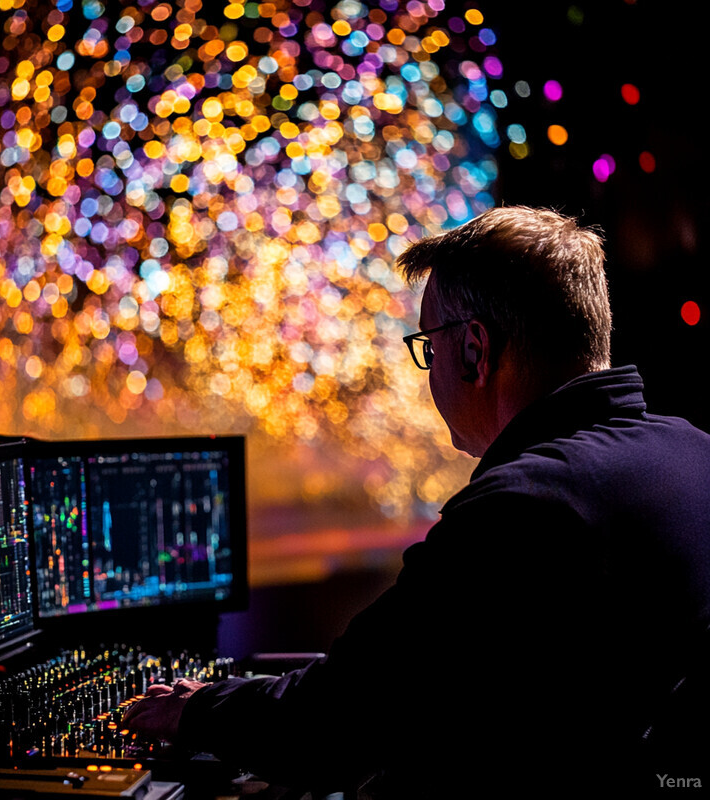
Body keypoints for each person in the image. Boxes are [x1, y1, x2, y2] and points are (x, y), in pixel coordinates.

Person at [124, 206, 710, 797]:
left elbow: (336, 722)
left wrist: (199, 711)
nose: (429, 372)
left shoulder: (520, 507)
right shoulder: (698, 455)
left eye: (429, 348)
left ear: (476, 351)